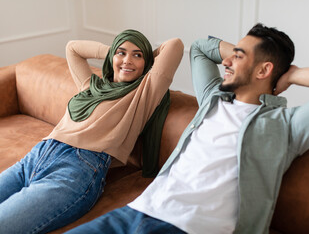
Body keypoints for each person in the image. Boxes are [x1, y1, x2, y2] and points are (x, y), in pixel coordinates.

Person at [65, 23, 309, 234]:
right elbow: (200, 50)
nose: (228, 61)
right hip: (134, 212)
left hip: (186, 227)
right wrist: (242, 56)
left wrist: (291, 74)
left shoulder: (285, 125)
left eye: (239, 56)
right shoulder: (212, 99)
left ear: (264, 70)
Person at [0, 30, 184, 233]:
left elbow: (175, 45)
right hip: (33, 158)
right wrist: (114, 51)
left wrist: (145, 56)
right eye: (121, 52)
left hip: (74, 172)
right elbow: (73, 48)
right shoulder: (90, 86)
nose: (128, 60)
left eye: (137, 55)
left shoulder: (143, 93)